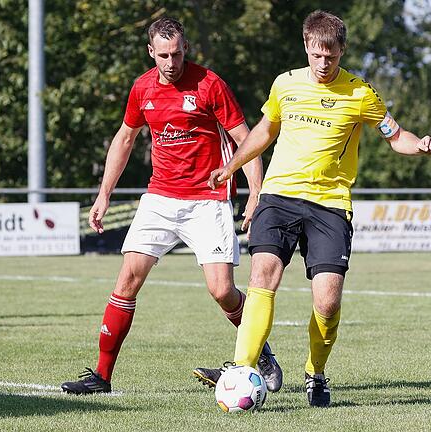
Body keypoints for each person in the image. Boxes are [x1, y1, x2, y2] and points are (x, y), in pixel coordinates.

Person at [192, 10, 431, 407]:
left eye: (333, 57)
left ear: (342, 51)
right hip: (279, 196)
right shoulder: (284, 84)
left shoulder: (360, 93)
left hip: (330, 205)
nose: (324, 64)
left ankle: (315, 373)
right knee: (263, 276)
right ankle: (241, 367)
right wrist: (231, 166)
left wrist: (418, 144)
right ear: (306, 45)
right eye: (317, 55)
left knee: (327, 301)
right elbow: (265, 132)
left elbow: (394, 135)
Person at [61, 17, 283, 394]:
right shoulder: (142, 88)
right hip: (160, 197)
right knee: (127, 280)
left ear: (185, 50)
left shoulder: (210, 84)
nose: (170, 62)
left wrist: (256, 196)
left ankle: (261, 353)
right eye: (163, 54)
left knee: (221, 290)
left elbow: (248, 141)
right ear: (151, 52)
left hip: (208, 200)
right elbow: (125, 139)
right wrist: (103, 194)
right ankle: (102, 376)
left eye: (176, 53)